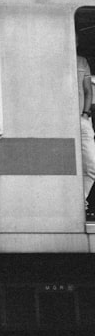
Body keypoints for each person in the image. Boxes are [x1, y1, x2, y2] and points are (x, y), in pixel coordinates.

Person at [78, 48, 95, 220]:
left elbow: (88, 90)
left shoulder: (82, 61)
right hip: (60, 121)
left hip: (81, 119)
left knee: (91, 167)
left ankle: (79, 203)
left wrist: (85, 113)